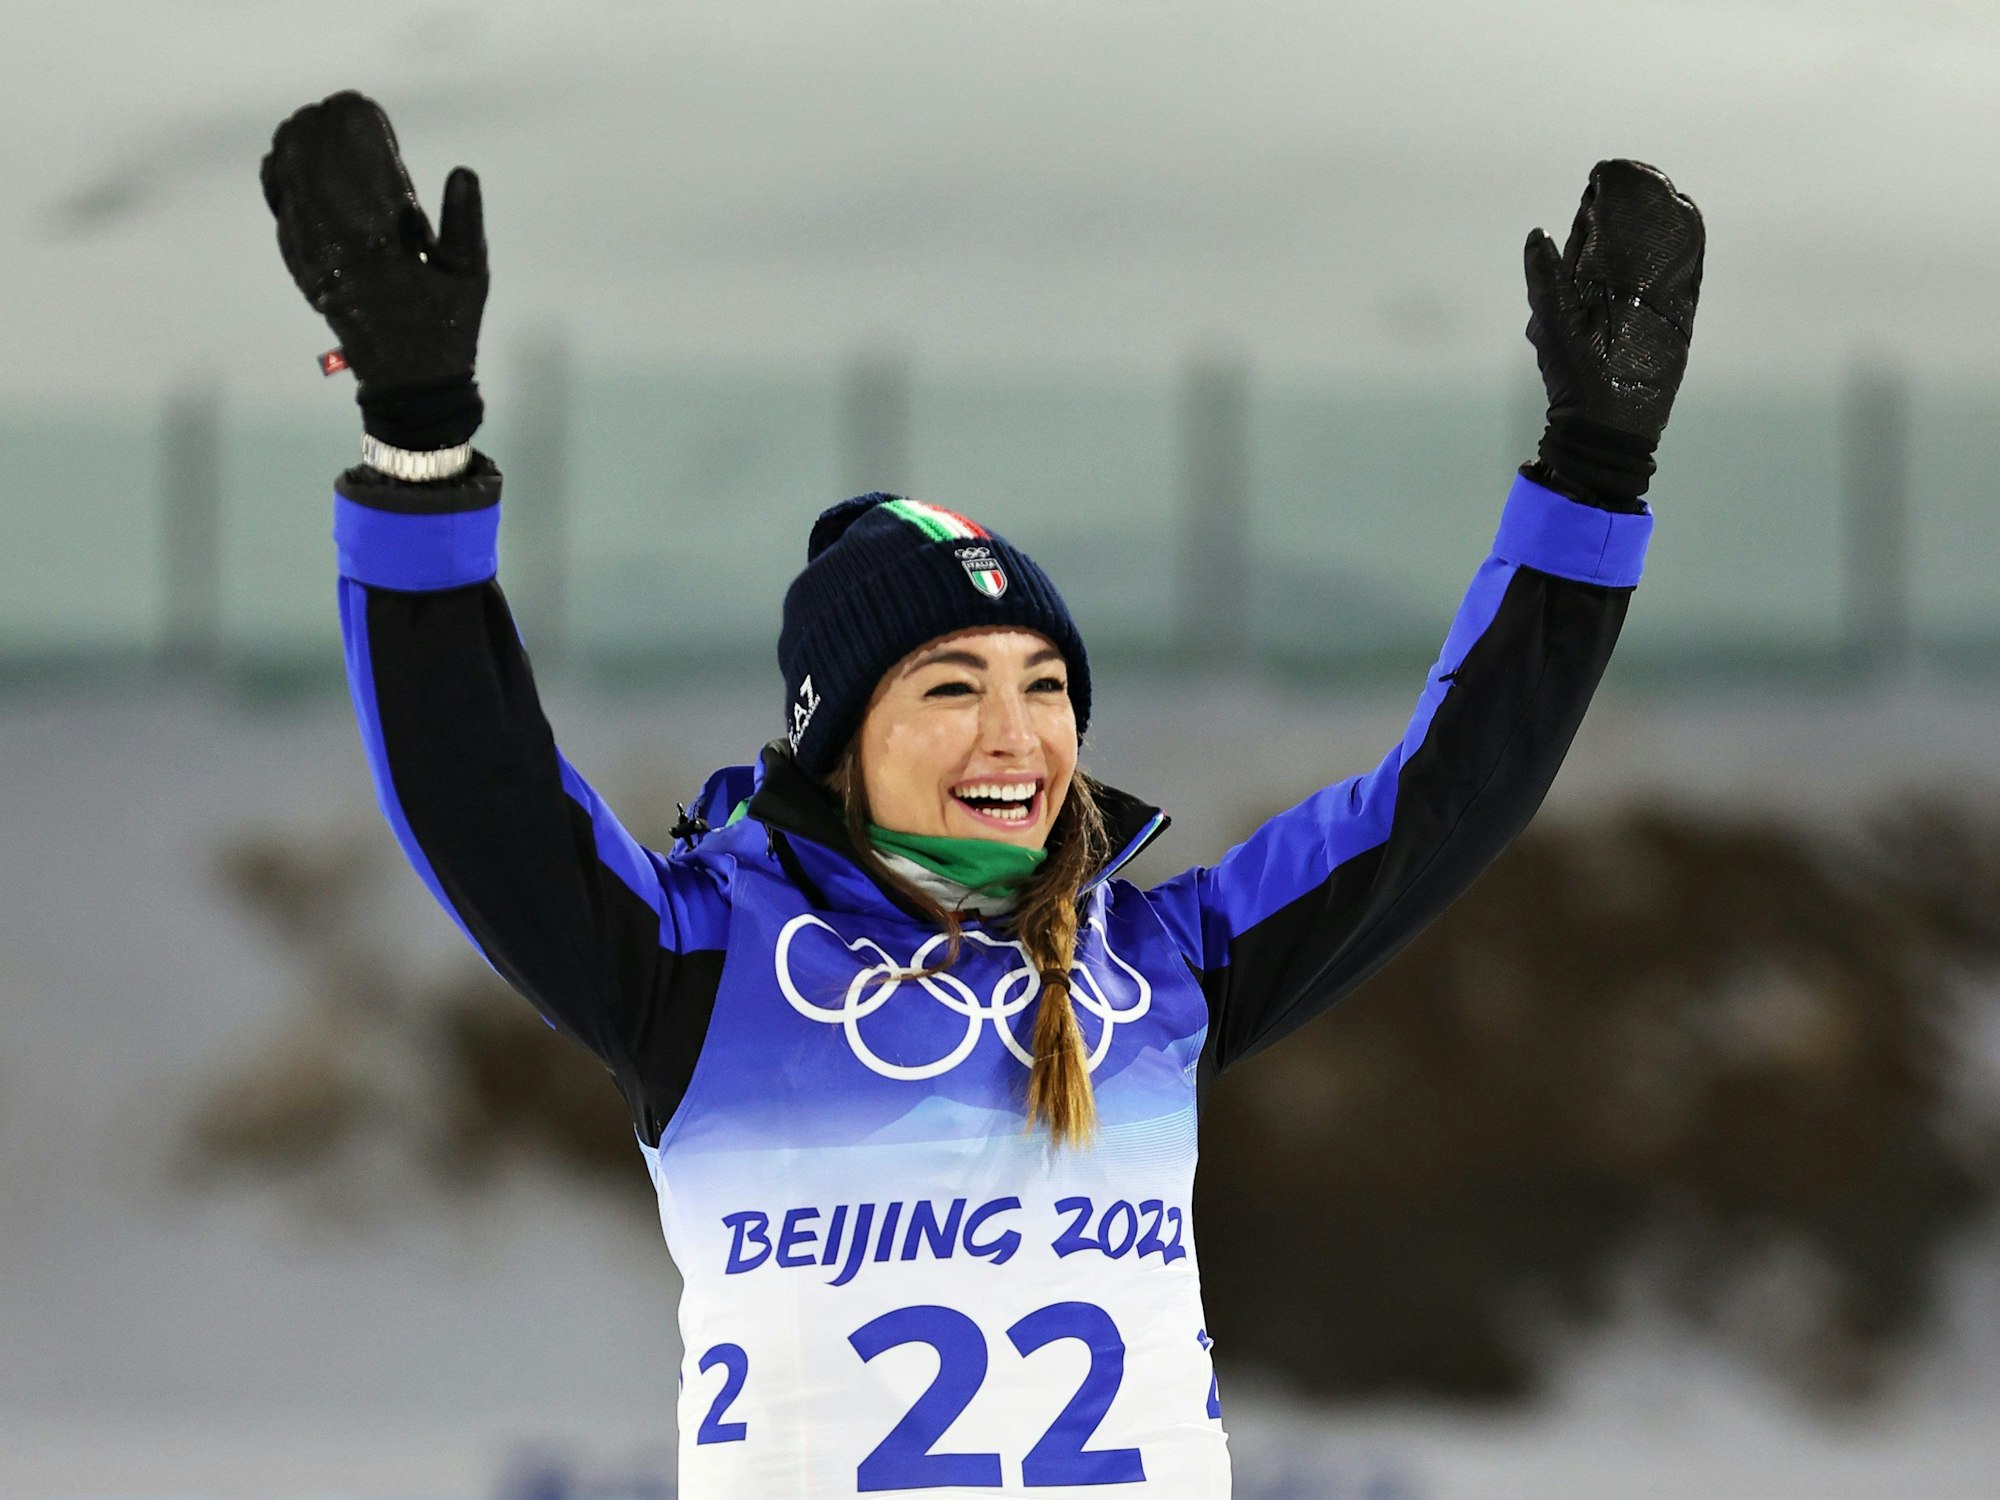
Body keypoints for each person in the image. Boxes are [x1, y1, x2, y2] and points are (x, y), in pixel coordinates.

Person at [262, 91, 1702, 1500]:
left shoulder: (1162, 965)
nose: (1015, 733)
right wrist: (420, 443)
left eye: (1047, 684)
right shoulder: (701, 968)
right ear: (838, 742)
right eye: (950, 686)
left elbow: (1448, 798)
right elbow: (478, 791)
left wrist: (1595, 471)